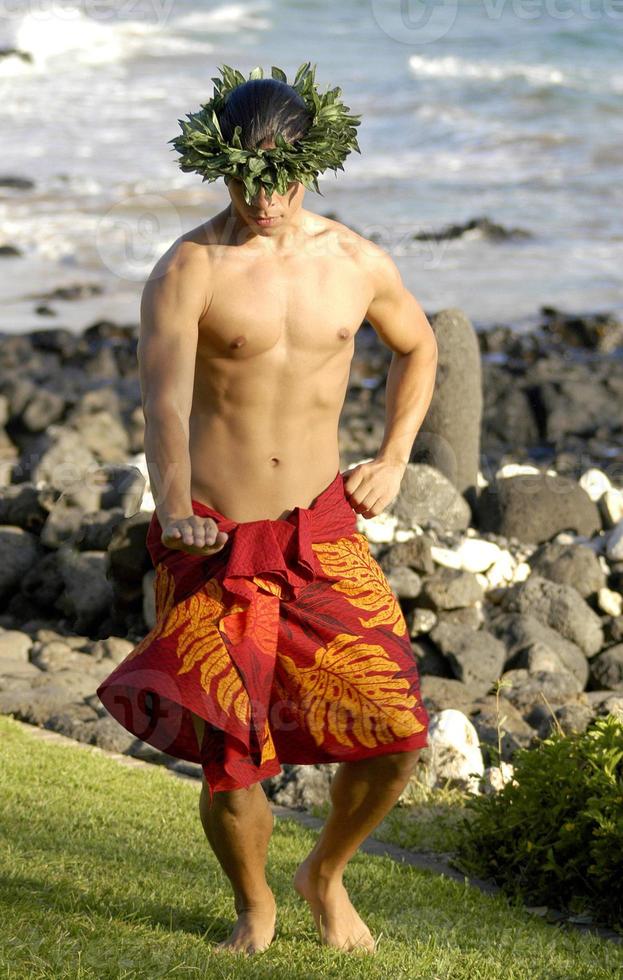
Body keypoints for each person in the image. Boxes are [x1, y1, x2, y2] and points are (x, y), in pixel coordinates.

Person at [97, 64, 438, 957]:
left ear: (314, 161)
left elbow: (420, 347)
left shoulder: (357, 263)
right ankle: (256, 904)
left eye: (280, 175)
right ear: (219, 166)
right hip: (211, 535)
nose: (262, 196)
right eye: (243, 175)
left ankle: (321, 872)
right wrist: (173, 501)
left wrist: (395, 458)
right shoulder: (189, 268)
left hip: (320, 531)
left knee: (398, 729)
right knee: (230, 750)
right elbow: (163, 402)